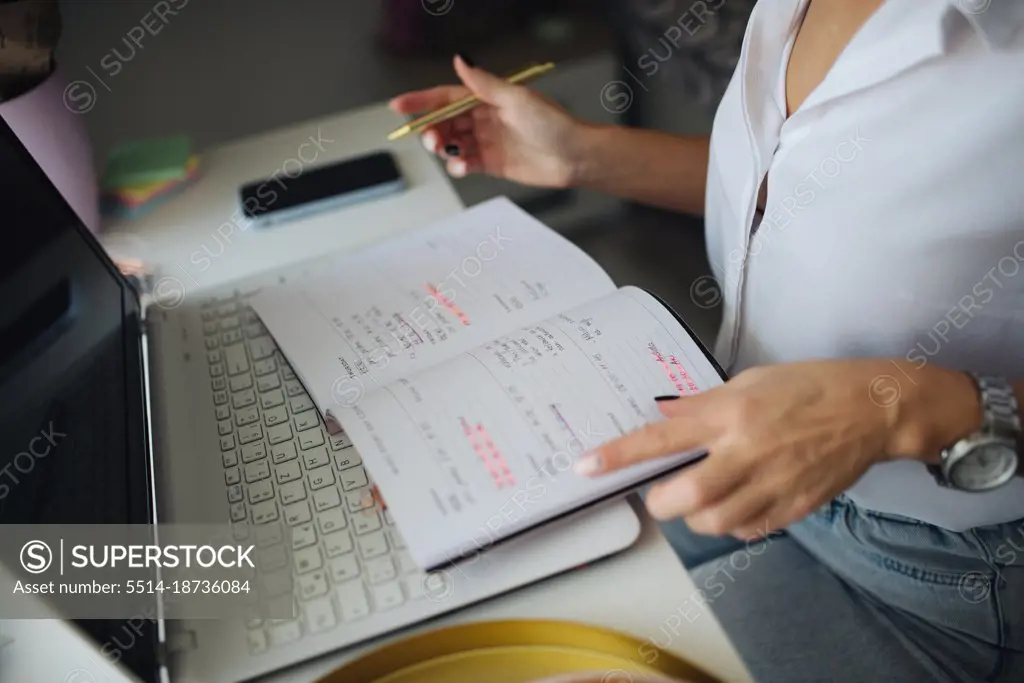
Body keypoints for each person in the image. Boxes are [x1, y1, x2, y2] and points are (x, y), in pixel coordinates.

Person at [391, 1, 1024, 681]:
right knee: (463, 599)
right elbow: (796, 194)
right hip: (744, 454)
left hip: (942, 573)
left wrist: (898, 410)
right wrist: (586, 155)